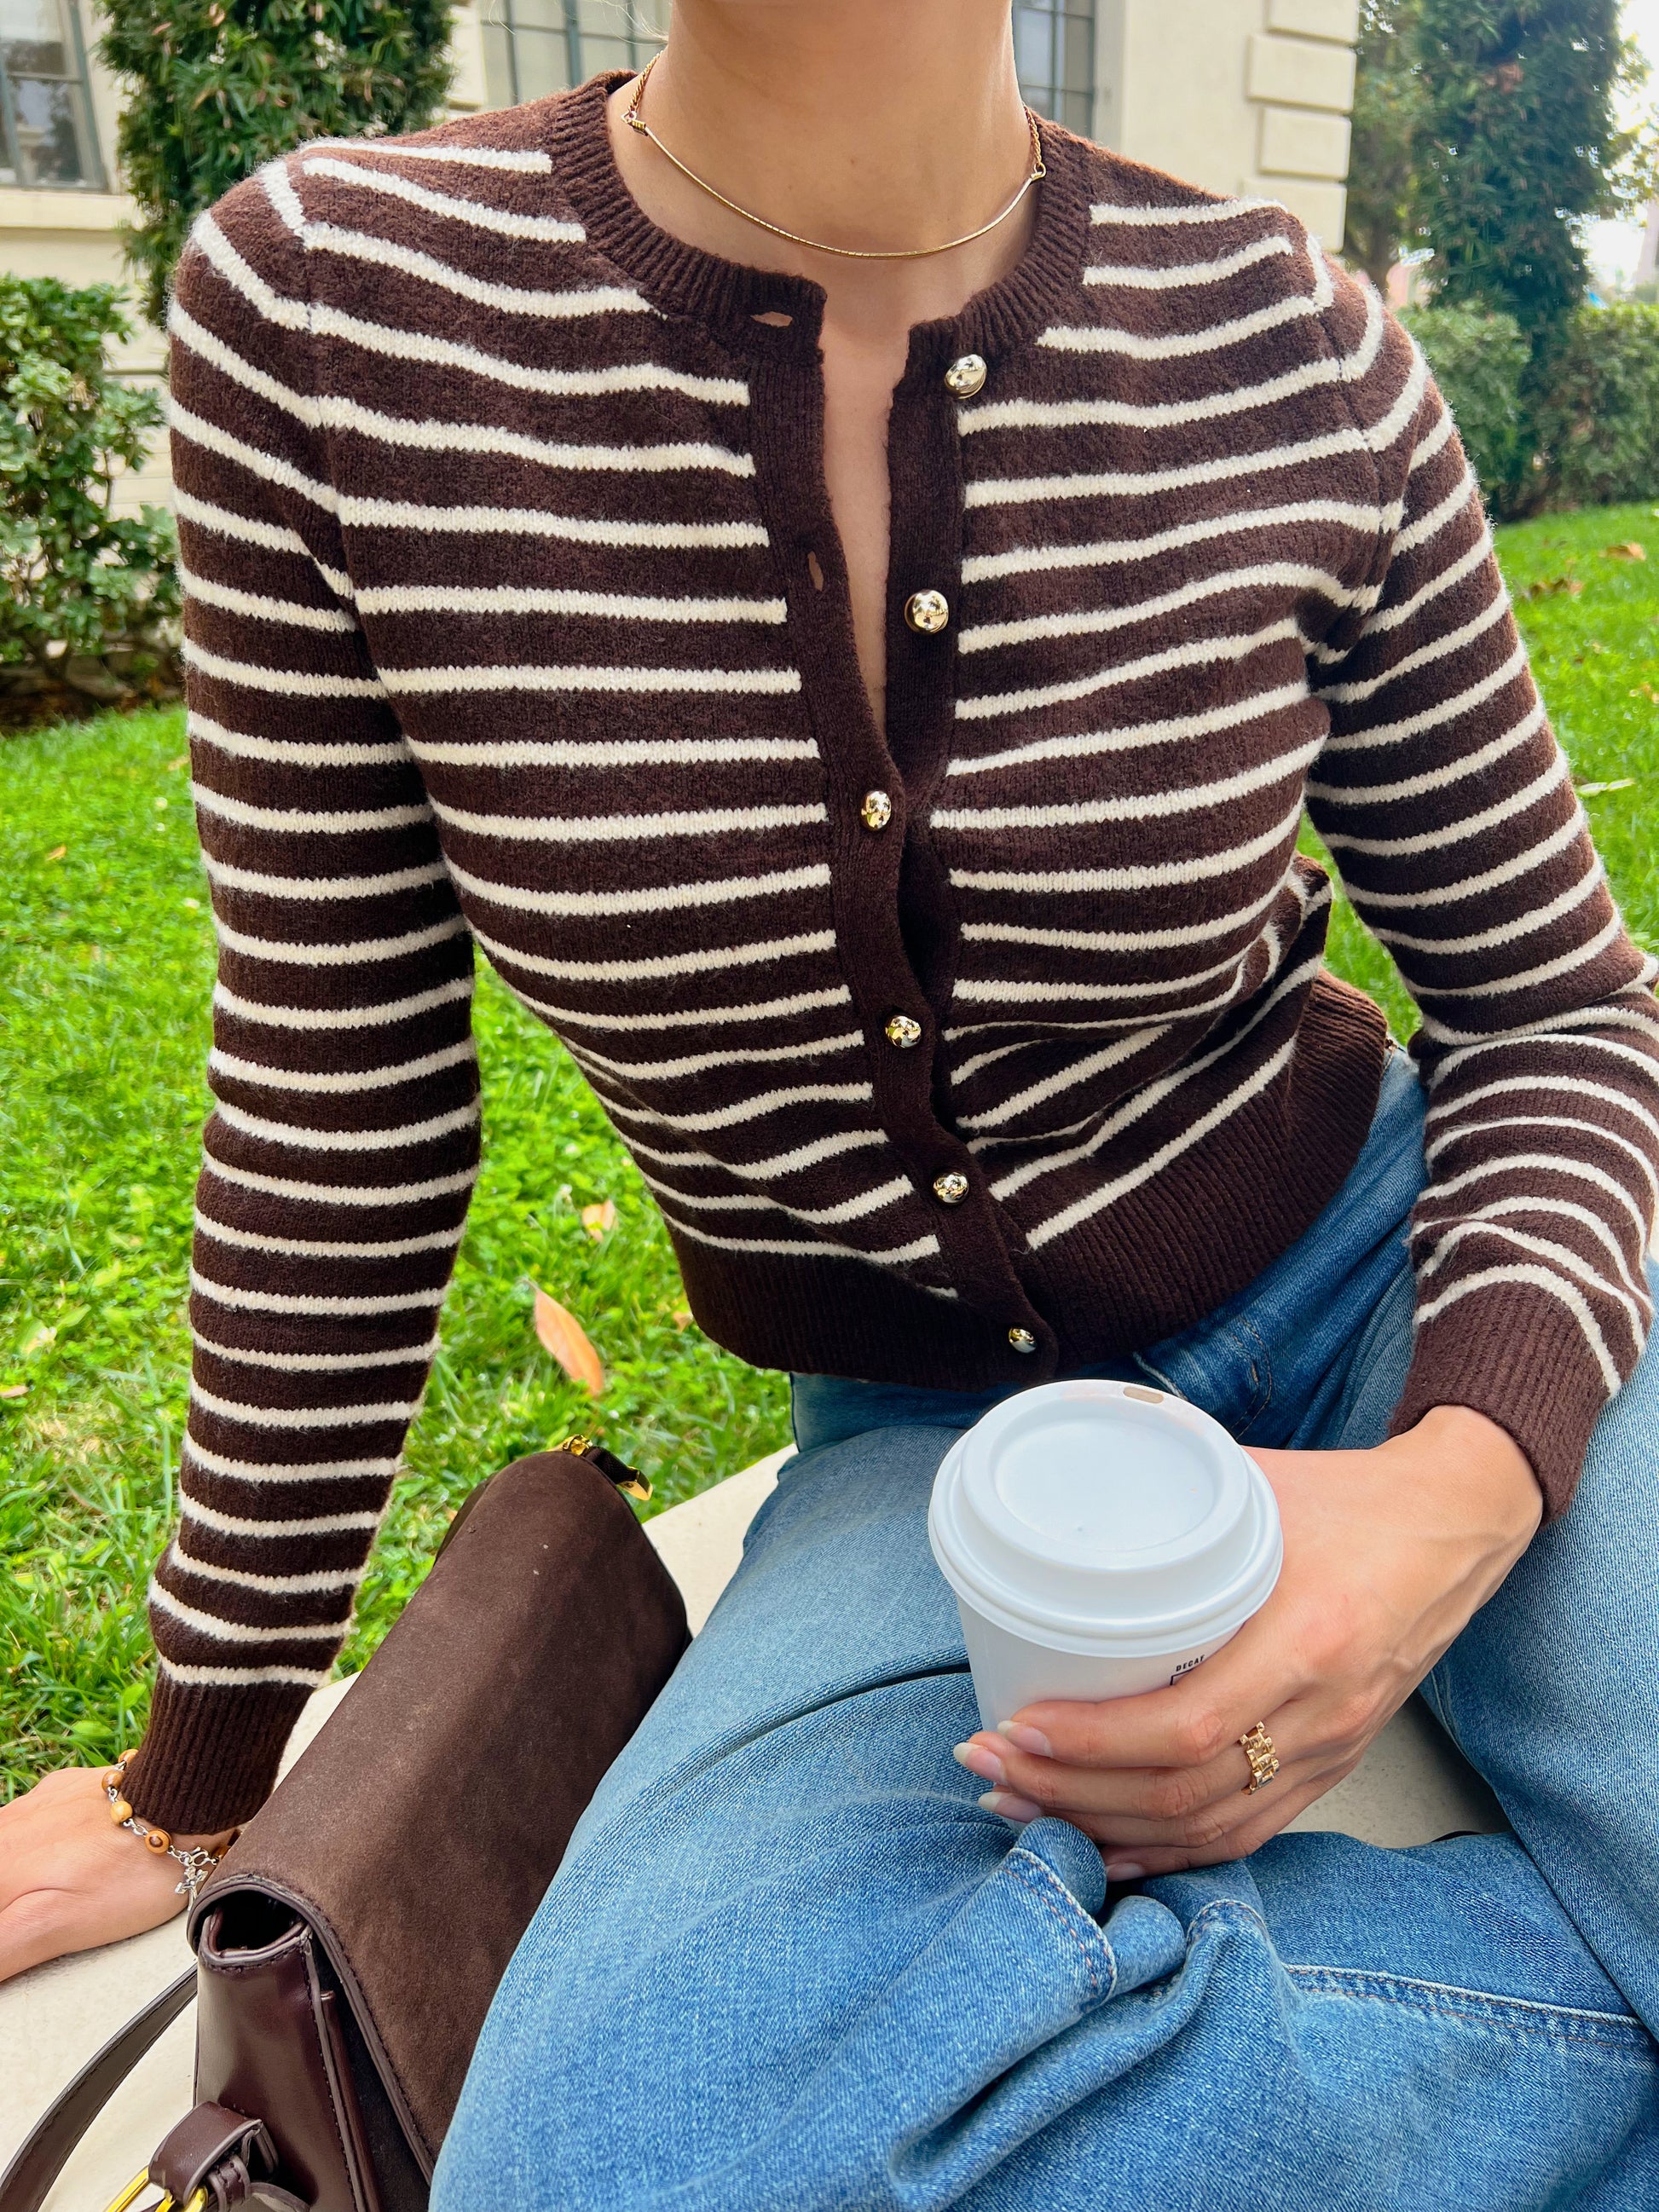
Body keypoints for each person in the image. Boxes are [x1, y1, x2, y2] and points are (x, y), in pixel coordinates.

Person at [5, 1, 1659, 2199]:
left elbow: (1557, 1012)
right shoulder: (332, 311)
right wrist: (201, 1769)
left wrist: (1456, 1493)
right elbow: (341, 1106)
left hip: (1401, 1266)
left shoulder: (1293, 343)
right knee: (604, 2165)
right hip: (922, 1438)